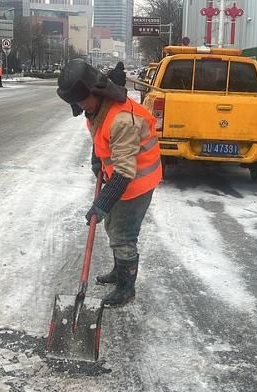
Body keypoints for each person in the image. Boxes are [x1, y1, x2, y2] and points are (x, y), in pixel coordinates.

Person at [57, 59, 162, 307]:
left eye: (82, 101)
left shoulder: (122, 120)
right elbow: (99, 138)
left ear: (96, 92)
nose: (80, 107)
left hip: (136, 183)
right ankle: (119, 271)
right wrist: (97, 162)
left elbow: (125, 172)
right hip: (121, 179)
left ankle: (126, 288)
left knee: (123, 235)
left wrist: (101, 204)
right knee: (113, 227)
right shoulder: (97, 109)